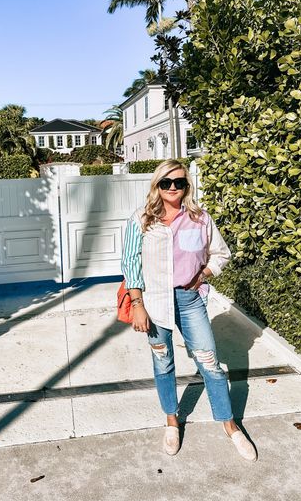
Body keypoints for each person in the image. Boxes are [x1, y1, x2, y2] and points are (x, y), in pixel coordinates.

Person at [121, 159, 257, 461]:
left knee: (210, 363)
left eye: (179, 182)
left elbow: (221, 254)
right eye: (166, 182)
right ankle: (172, 421)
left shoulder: (200, 218)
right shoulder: (140, 220)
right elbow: (130, 265)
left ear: (187, 186)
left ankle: (230, 425)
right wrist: (138, 305)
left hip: (190, 301)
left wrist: (203, 275)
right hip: (154, 303)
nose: (172, 188)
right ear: (157, 185)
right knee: (163, 363)